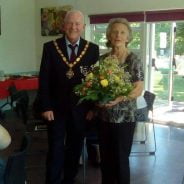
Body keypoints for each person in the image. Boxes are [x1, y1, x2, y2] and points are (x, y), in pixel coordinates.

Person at [38, 10, 99, 184]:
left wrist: (92, 108)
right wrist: (45, 106)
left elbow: (94, 82)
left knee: (75, 148)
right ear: (64, 26)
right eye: (70, 23)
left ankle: (69, 180)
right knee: (56, 148)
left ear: (83, 27)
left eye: (77, 23)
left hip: (81, 110)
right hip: (55, 110)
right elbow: (44, 79)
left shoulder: (92, 49)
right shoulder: (50, 47)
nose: (74, 27)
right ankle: (52, 181)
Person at [97, 18, 144, 184]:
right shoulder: (102, 60)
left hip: (125, 117)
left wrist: (119, 98)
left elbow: (138, 89)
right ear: (109, 36)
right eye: (114, 32)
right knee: (106, 159)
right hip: (104, 117)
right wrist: (98, 99)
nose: (118, 35)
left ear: (128, 37)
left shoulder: (134, 59)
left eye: (122, 32)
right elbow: (97, 86)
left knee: (121, 159)